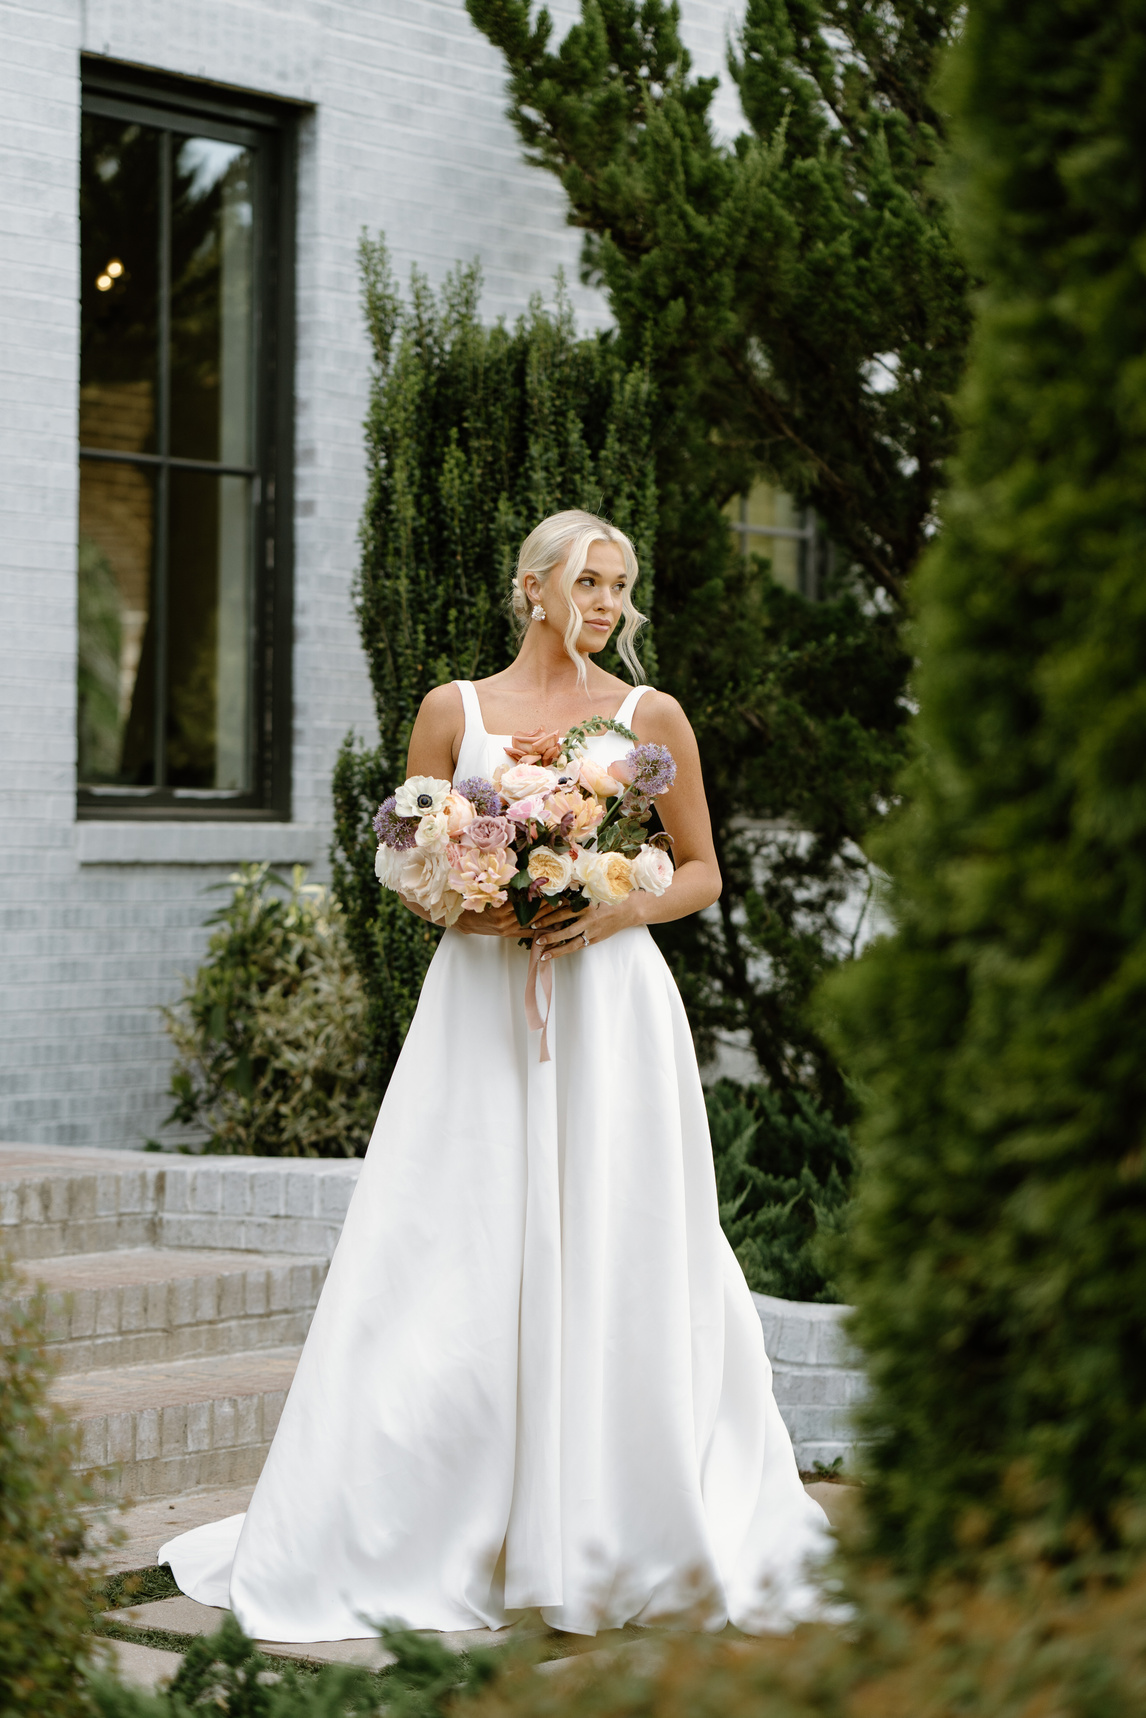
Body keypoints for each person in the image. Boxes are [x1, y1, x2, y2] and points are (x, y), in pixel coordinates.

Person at [161, 509, 831, 1641]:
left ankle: (614, 1522)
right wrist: (474, 888)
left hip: (612, 1013)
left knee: (614, 1241)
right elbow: (405, 851)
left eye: (620, 584)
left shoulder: (648, 714)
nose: (606, 604)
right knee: (447, 1246)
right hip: (479, 1009)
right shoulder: (452, 710)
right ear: (531, 587)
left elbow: (704, 869)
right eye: (588, 581)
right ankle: (422, 1519)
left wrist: (615, 902)